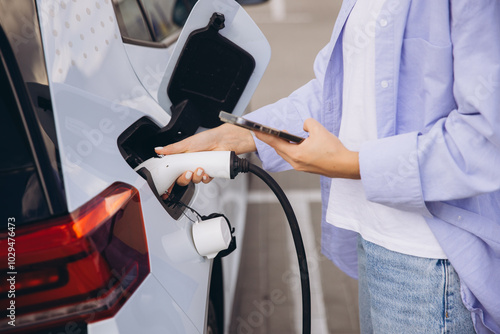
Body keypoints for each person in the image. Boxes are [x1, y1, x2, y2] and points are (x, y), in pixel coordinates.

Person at [155, 0, 500, 333]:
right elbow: (337, 93)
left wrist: (352, 165)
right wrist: (233, 136)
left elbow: (485, 134)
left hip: (430, 261)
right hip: (374, 237)